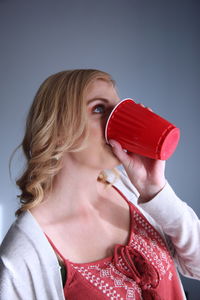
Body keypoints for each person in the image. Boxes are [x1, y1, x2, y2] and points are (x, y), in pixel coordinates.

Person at [0, 69, 200, 300]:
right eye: (99, 109)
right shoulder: (22, 256)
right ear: (59, 131)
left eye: (119, 108)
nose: (115, 121)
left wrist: (155, 190)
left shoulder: (131, 189)